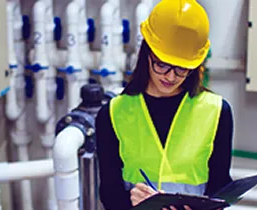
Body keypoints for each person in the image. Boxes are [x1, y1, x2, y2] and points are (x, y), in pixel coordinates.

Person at [95, 0, 234, 210]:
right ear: (147, 53)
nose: (170, 76)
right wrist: (132, 200)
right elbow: (109, 193)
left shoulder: (216, 111)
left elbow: (220, 188)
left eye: (182, 68)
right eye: (162, 64)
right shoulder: (113, 113)